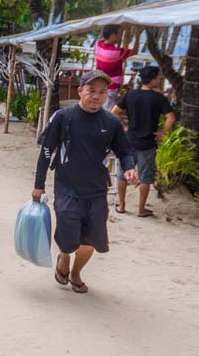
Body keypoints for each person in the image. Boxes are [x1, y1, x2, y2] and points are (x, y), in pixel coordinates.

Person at [33, 70, 137, 294]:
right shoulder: (63, 117)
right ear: (80, 91)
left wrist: (129, 168)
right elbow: (46, 151)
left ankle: (76, 272)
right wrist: (38, 184)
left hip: (97, 191)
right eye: (91, 91)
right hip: (67, 188)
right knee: (69, 236)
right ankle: (65, 257)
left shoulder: (111, 122)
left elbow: (124, 151)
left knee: (91, 239)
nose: (97, 96)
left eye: (102, 92)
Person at [113, 65, 175, 217]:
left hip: (129, 140)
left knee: (122, 174)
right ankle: (141, 209)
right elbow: (171, 117)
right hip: (147, 143)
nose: (158, 81)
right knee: (145, 176)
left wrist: (124, 126)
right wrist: (161, 133)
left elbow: (114, 112)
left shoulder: (130, 94)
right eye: (158, 78)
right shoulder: (159, 98)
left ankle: (121, 205)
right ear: (153, 80)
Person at [94, 25, 136, 109]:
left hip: (100, 83)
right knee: (107, 112)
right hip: (111, 87)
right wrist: (138, 36)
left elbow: (105, 37)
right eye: (120, 34)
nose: (120, 36)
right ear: (113, 35)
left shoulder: (98, 45)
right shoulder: (116, 52)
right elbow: (135, 51)